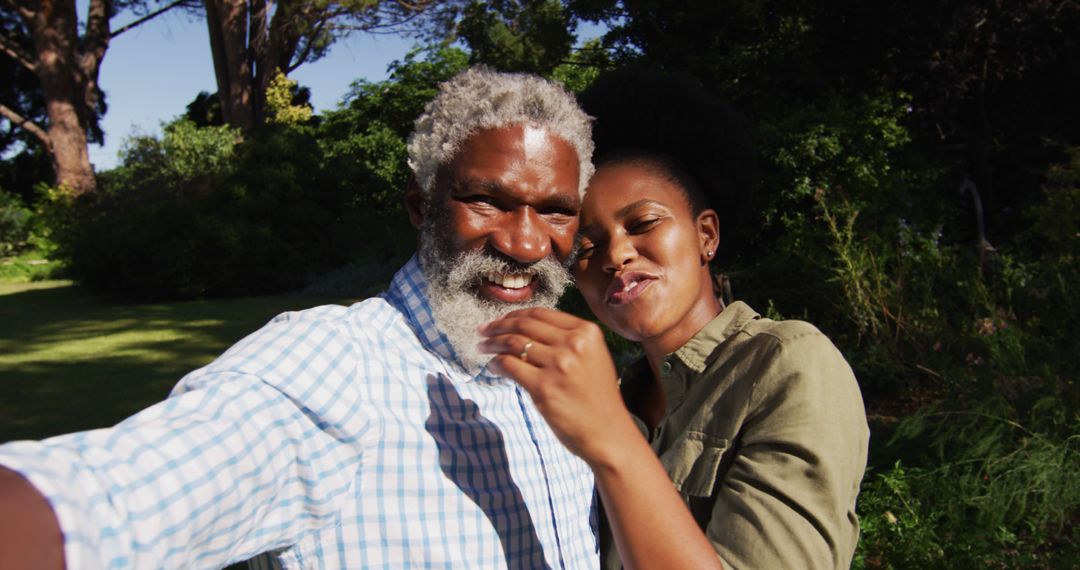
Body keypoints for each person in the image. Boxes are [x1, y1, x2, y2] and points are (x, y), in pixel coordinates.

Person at [0, 66, 600, 569]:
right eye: (487, 201)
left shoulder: (565, 375)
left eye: (555, 212)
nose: (525, 244)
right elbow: (117, 498)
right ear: (421, 208)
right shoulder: (333, 366)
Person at [478, 70, 870, 569]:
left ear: (706, 235)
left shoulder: (785, 363)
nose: (615, 255)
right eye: (586, 246)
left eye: (642, 223)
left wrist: (609, 437)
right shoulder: (618, 393)